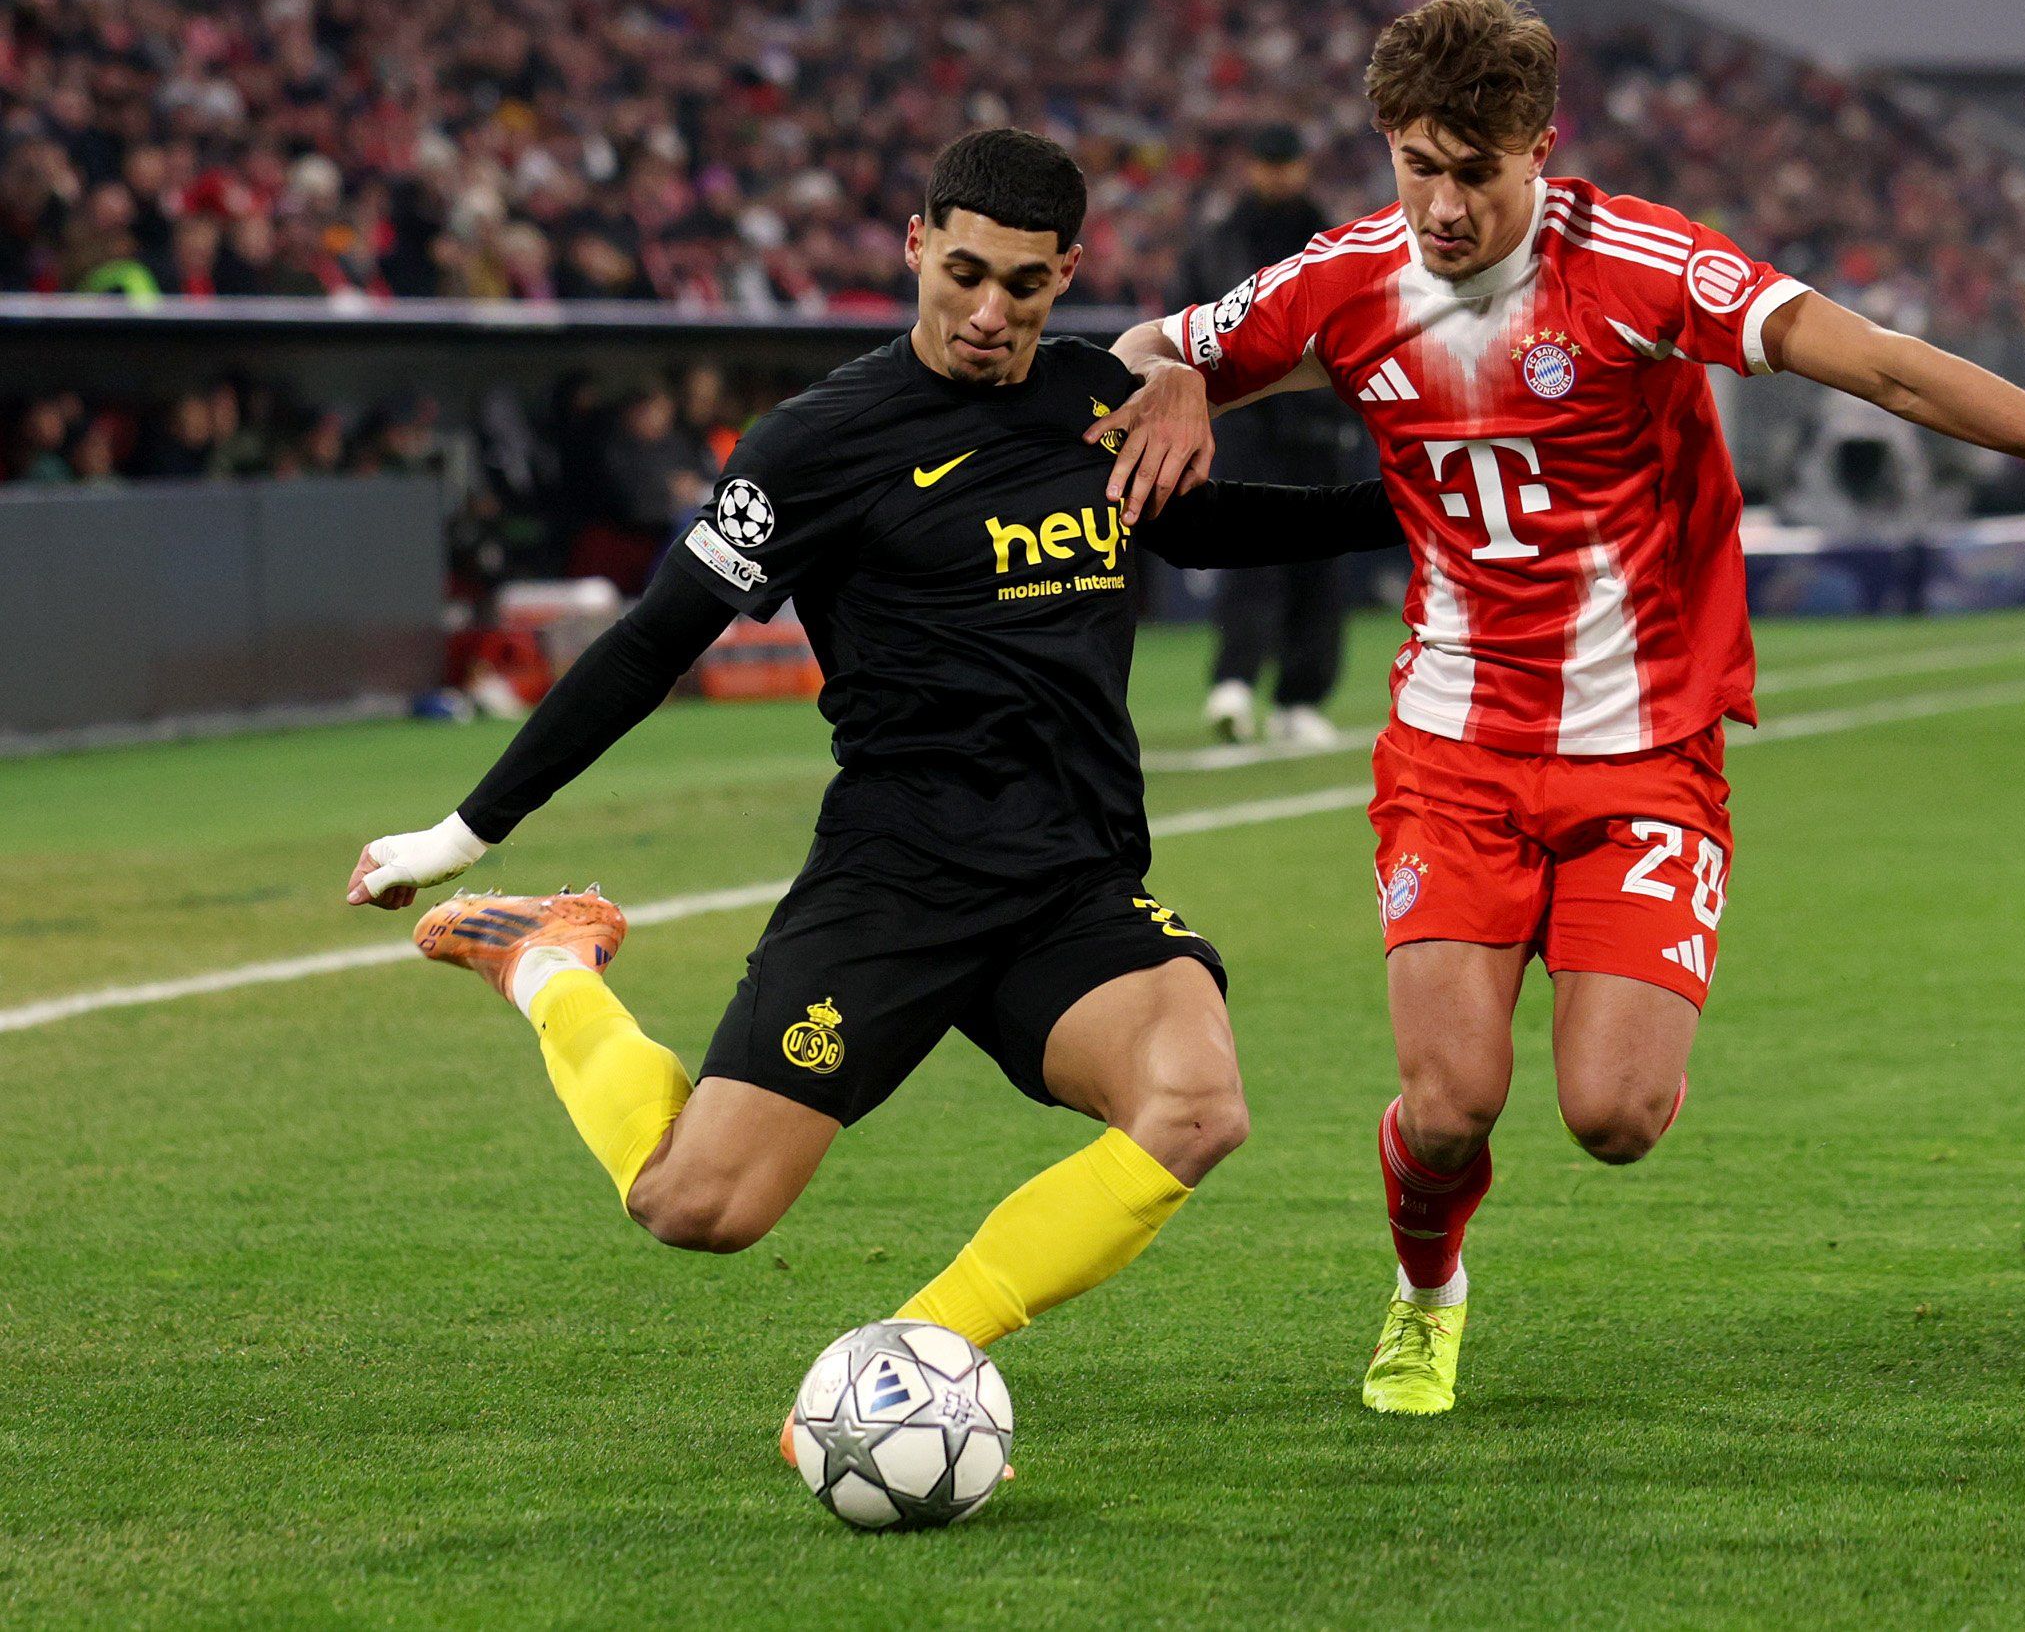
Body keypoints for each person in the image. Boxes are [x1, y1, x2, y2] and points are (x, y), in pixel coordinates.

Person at [1093, 0, 2025, 1416]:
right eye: (1417, 168)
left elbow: (1888, 367)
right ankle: (1427, 1294)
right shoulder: (1341, 278)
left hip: (1645, 753)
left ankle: (1601, 1054)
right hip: (1454, 751)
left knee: (1615, 1117)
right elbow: (1139, 350)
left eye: (1477, 172)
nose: (1445, 207)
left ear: (1541, 149)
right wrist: (1174, 378)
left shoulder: (1645, 266)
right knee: (1451, 1105)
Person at [343, 131, 1402, 1460]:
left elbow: (1208, 522)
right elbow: (653, 641)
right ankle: (546, 963)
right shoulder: (814, 445)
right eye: (964, 273)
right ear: (915, 246)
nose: (989, 311)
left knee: (1197, 1107)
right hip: (896, 879)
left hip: (1070, 884)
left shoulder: (1092, 400)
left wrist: (1421, 503)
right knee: (696, 1207)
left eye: (1024, 284)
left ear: (1068, 274)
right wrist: (463, 831)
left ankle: (910, 1364)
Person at [1173, 124, 1364, 748]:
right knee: (1249, 554)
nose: (1276, 175)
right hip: (1248, 425)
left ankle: (1299, 698)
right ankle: (1234, 682)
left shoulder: (1335, 241)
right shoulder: (1218, 243)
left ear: (1302, 166)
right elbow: (1184, 326)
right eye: (1267, 163)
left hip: (1318, 425)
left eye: (1285, 163)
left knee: (1319, 565)